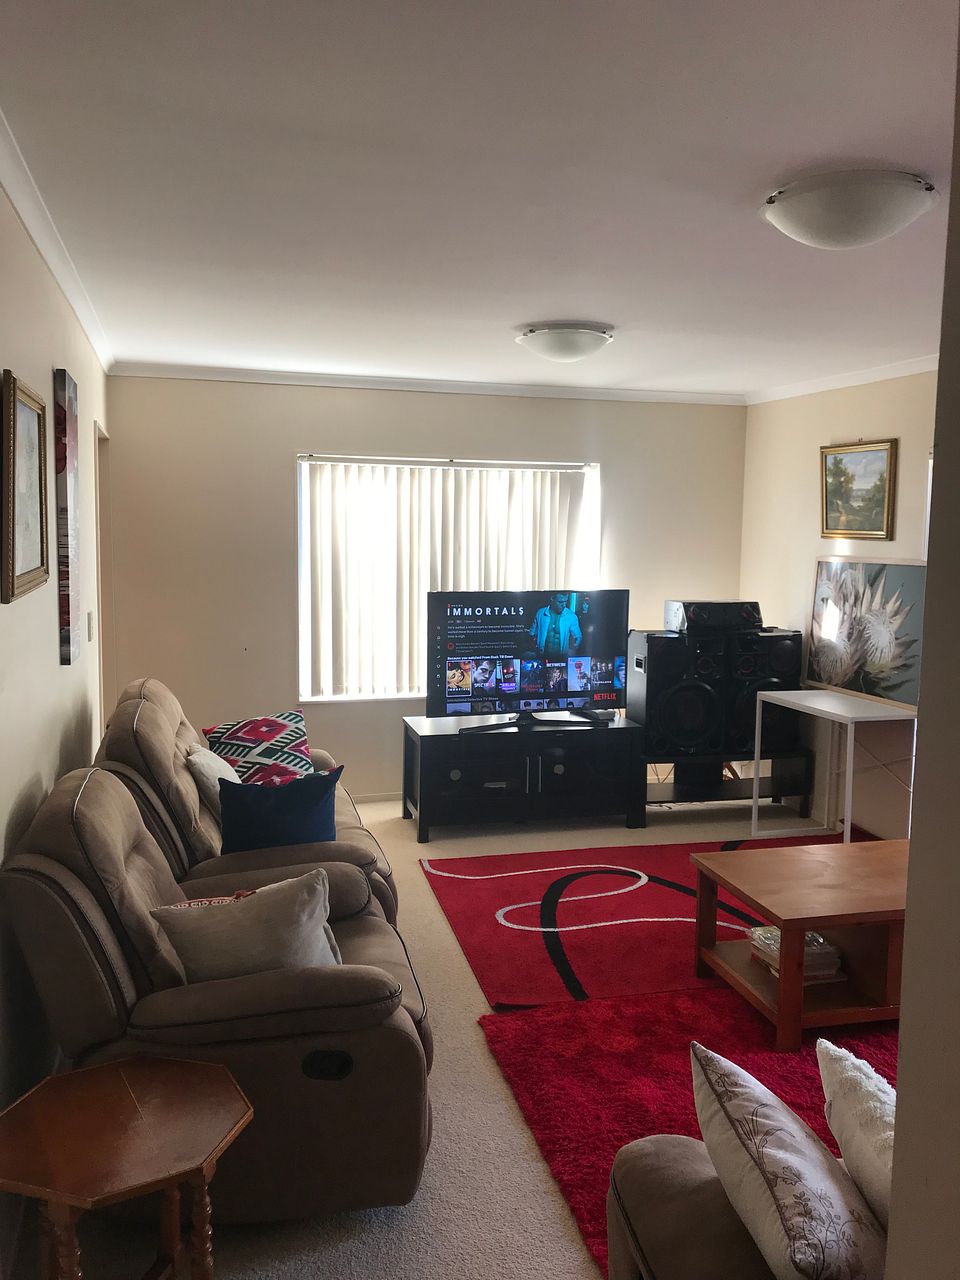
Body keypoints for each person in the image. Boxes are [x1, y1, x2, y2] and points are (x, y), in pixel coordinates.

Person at [529, 592, 582, 661]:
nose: (564, 605)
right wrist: (534, 649)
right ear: (552, 599)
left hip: (561, 658)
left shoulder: (571, 616)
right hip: (542, 657)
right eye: (560, 602)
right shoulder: (540, 613)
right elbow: (532, 633)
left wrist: (571, 653)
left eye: (565, 601)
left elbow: (578, 637)